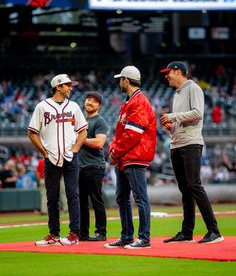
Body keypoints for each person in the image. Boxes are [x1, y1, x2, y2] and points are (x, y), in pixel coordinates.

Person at [159, 61, 224, 244]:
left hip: (191, 143)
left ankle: (214, 231)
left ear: (178, 71)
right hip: (177, 143)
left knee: (194, 185)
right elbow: (181, 122)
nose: (166, 76)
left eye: (168, 73)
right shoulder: (176, 94)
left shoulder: (193, 88)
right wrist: (170, 128)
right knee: (185, 190)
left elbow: (198, 113)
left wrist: (172, 116)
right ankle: (187, 232)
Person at [28, 74, 88, 246]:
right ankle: (54, 234)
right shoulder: (42, 106)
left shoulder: (74, 106)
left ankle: (74, 234)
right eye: (68, 85)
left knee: (72, 195)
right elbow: (32, 132)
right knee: (52, 197)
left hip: (70, 156)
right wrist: (44, 152)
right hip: (51, 157)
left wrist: (76, 147)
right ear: (58, 87)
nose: (71, 88)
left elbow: (83, 130)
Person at [104, 66, 157, 249]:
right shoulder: (129, 102)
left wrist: (115, 152)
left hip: (134, 156)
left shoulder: (139, 101)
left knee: (140, 198)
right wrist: (114, 150)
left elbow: (132, 134)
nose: (119, 82)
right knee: (122, 198)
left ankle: (144, 238)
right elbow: (120, 133)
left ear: (126, 80)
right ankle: (127, 236)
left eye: (121, 79)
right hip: (124, 157)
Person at [79, 92, 109, 241]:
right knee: (81, 202)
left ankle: (101, 232)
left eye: (94, 101)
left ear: (99, 106)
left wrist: (80, 138)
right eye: (88, 99)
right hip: (79, 167)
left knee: (96, 199)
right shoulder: (80, 120)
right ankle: (82, 233)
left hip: (94, 166)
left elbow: (99, 143)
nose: (90, 102)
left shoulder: (100, 121)